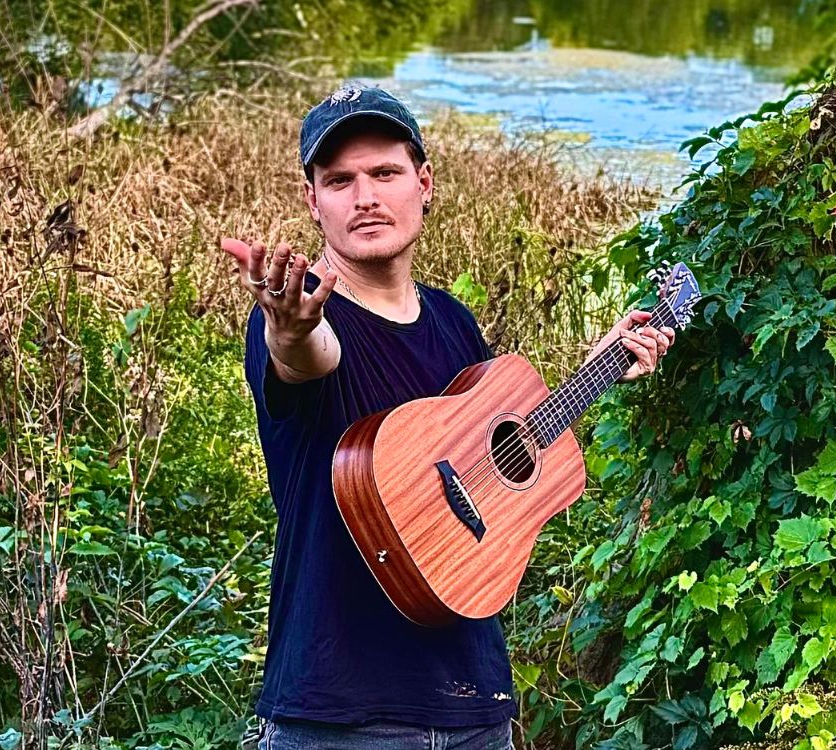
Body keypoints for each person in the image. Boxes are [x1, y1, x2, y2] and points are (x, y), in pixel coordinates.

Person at [220, 83, 674, 750]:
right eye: (340, 180)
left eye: (384, 173)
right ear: (312, 201)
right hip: (340, 714)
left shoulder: (453, 322)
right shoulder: (304, 320)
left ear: (424, 183)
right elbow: (306, 357)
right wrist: (288, 329)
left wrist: (596, 370)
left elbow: (499, 460)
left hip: (475, 706)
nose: (365, 196)